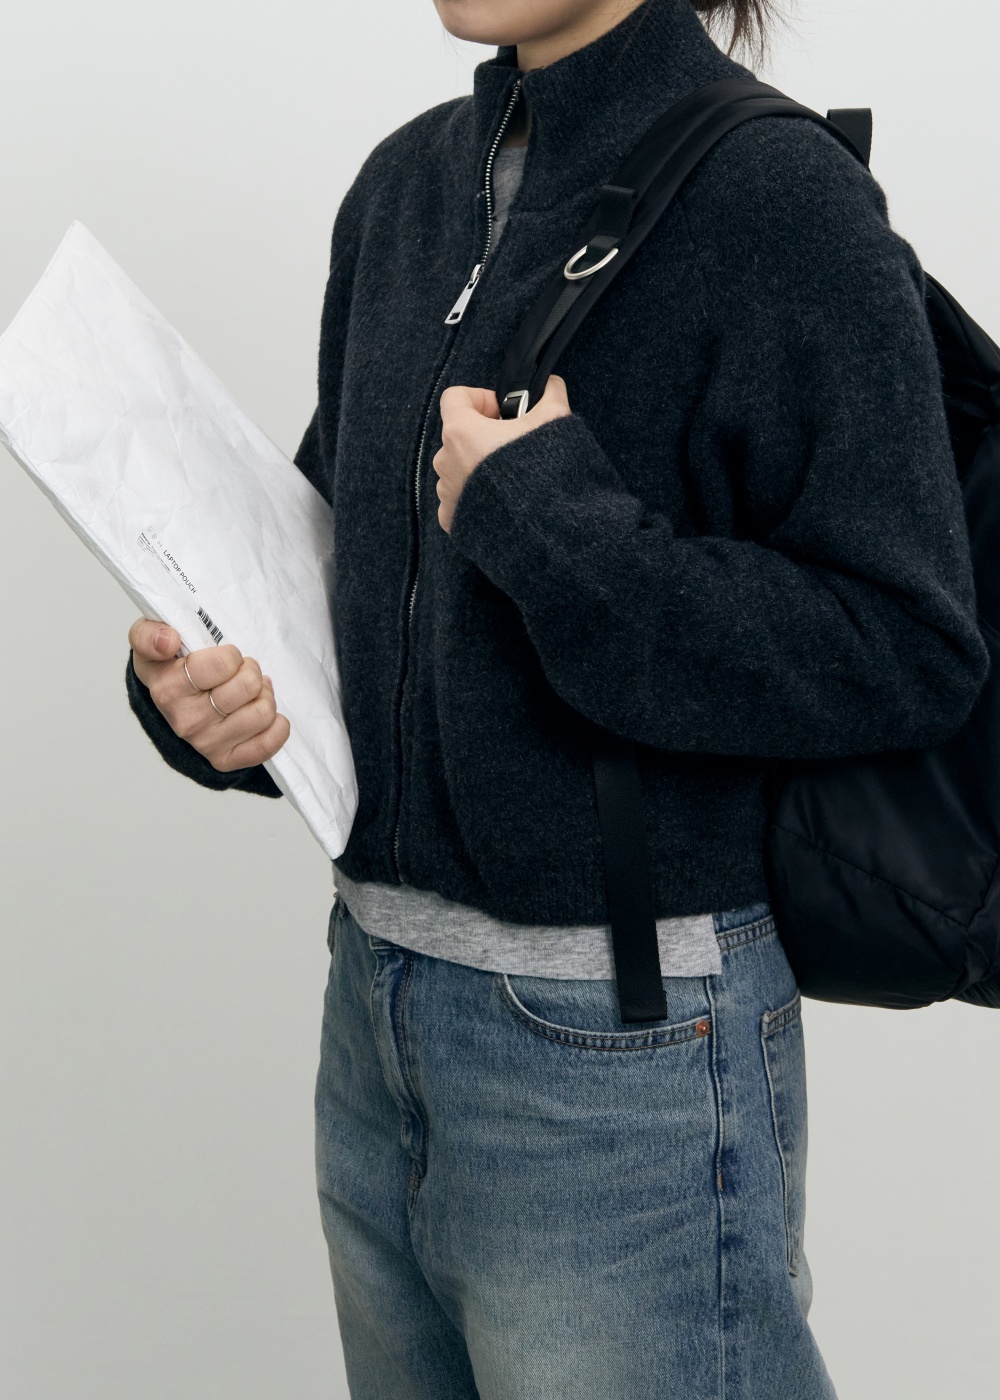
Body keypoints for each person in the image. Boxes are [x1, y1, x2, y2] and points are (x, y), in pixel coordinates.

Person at [124, 0, 989, 1394]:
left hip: (620, 1058)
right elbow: (349, 576)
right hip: (375, 1013)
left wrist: (547, 521)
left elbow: (907, 647)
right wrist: (214, 701)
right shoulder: (406, 188)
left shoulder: (780, 200)